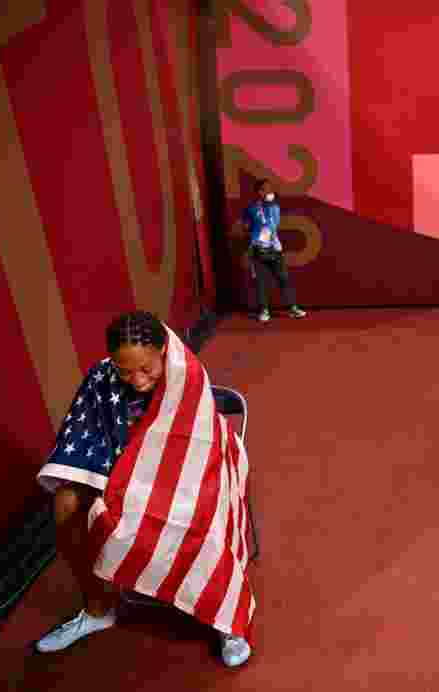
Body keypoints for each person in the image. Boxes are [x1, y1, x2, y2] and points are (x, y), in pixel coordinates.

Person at [34, 311, 254, 667]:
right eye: (125, 371)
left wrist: (139, 484)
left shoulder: (187, 376)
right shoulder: (101, 377)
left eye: (146, 369)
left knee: (203, 513)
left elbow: (195, 448)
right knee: (65, 503)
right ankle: (98, 608)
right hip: (121, 463)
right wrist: (117, 482)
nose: (136, 381)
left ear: (163, 350)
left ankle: (226, 619)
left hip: (195, 464)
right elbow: (88, 435)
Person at [242, 179, 306, 322]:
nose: (270, 191)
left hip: (275, 249)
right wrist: (254, 238)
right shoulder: (250, 209)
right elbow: (245, 227)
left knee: (283, 278)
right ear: (259, 192)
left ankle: (293, 308)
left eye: (271, 188)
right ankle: (264, 311)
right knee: (260, 282)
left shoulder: (275, 207)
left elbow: (274, 226)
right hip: (258, 250)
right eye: (267, 189)